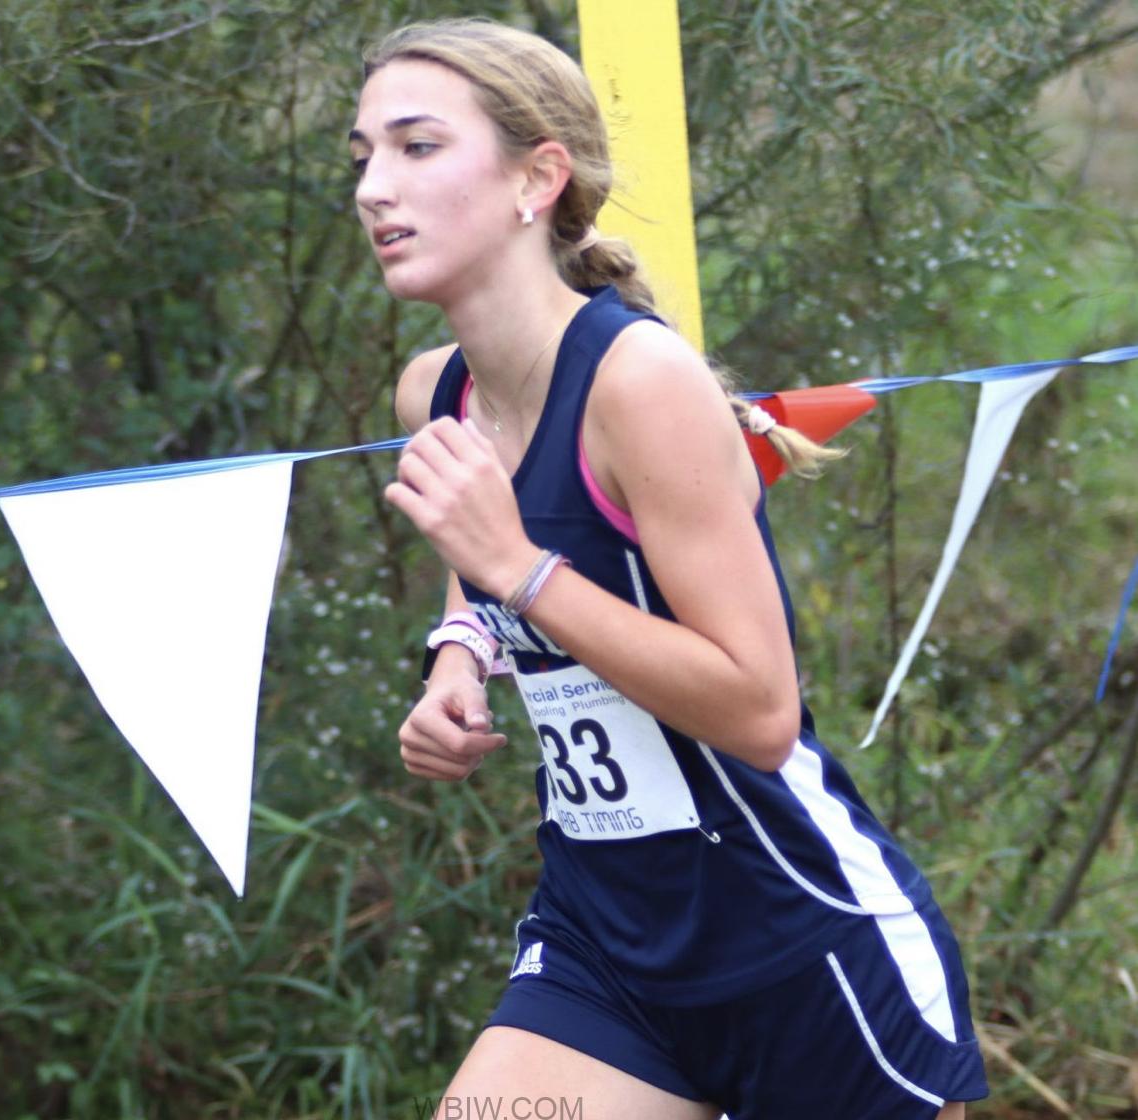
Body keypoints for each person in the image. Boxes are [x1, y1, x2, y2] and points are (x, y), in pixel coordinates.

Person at [352, 17, 988, 1119]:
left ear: (537, 178)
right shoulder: (436, 393)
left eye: (417, 147)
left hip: (796, 945)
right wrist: (460, 647)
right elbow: (479, 544)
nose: (373, 188)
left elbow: (759, 712)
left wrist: (520, 571)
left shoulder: (639, 384)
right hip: (604, 942)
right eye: (362, 155)